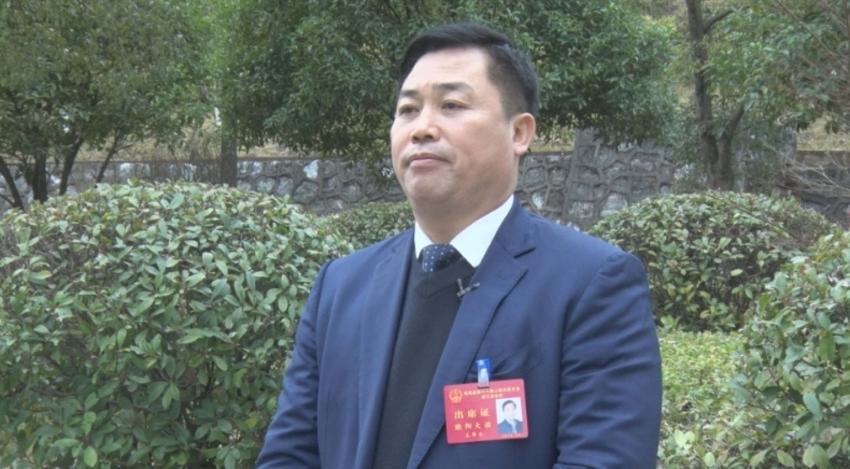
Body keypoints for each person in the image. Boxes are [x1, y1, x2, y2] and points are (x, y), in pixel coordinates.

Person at [257, 21, 662, 469]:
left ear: (519, 133)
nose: (422, 129)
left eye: (452, 105)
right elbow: (289, 455)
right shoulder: (341, 287)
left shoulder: (590, 284)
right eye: (408, 110)